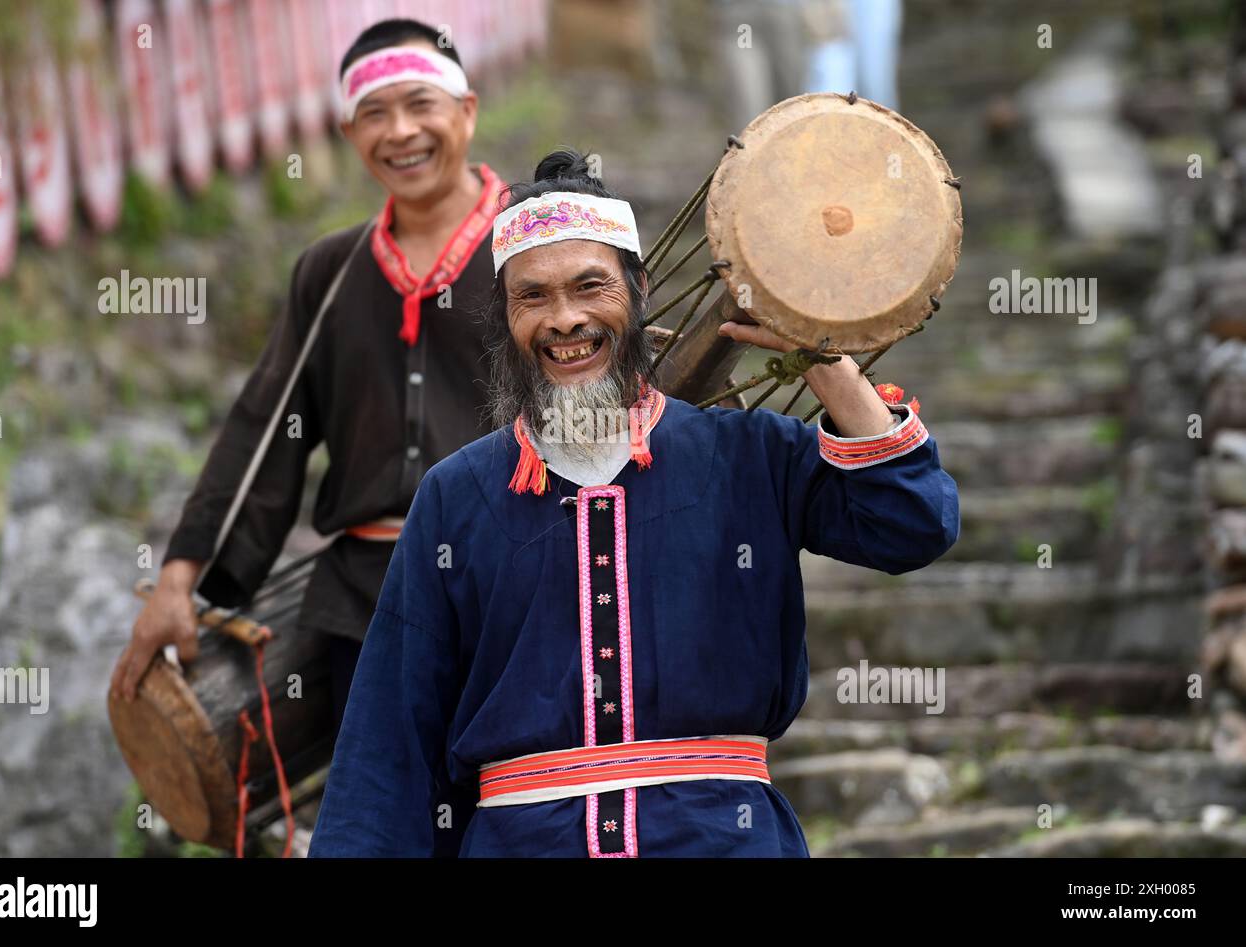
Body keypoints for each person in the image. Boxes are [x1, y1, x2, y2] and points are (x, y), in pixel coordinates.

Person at [308, 149, 959, 857]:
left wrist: (825, 361)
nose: (566, 319)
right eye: (533, 296)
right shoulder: (456, 497)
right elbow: (387, 741)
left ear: (638, 287)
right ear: (503, 316)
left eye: (591, 286)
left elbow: (914, 522)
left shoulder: (751, 456)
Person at [110, 18, 505, 738]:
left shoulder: (535, 243)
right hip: (369, 608)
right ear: (349, 132)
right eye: (374, 114)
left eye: (422, 104)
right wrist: (179, 578)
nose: (401, 132)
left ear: (467, 112)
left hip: (520, 588)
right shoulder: (331, 272)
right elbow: (265, 429)